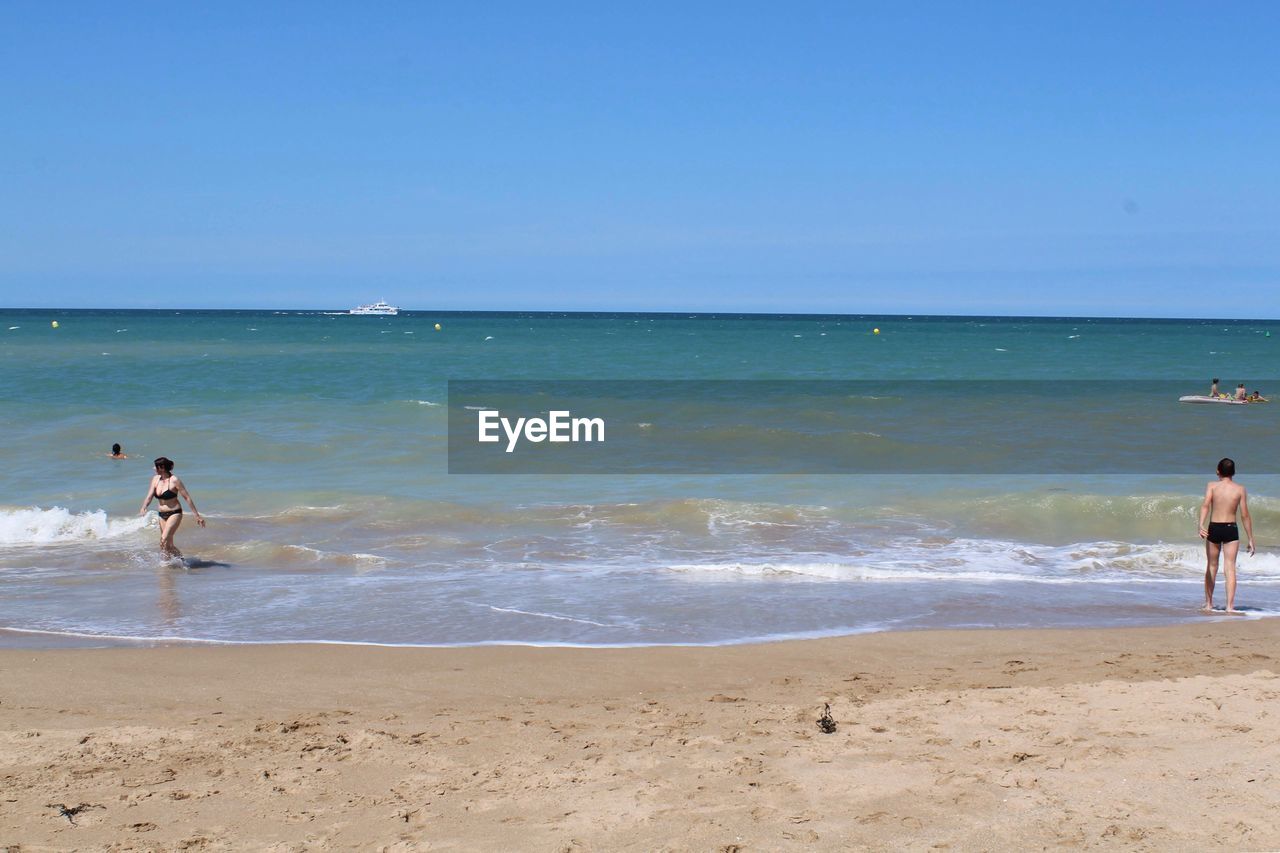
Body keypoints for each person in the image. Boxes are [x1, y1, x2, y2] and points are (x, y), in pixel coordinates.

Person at [1198, 457, 1254, 614]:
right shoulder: (1240, 489)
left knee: (1211, 566)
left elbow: (1205, 506)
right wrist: (1250, 538)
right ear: (1234, 472)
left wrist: (1200, 525)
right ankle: (1230, 606)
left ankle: (1209, 604)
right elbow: (1245, 515)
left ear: (1218, 471)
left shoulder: (1212, 486)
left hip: (1214, 528)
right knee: (1230, 568)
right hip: (1231, 529)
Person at [138, 456, 205, 559]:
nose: (153, 468)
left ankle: (171, 564)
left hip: (174, 513)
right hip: (161, 514)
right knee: (167, 546)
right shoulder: (155, 479)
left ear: (162, 467)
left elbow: (187, 497)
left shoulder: (174, 480)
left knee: (163, 539)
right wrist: (144, 507)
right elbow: (149, 496)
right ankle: (175, 564)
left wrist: (197, 516)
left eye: (156, 467)